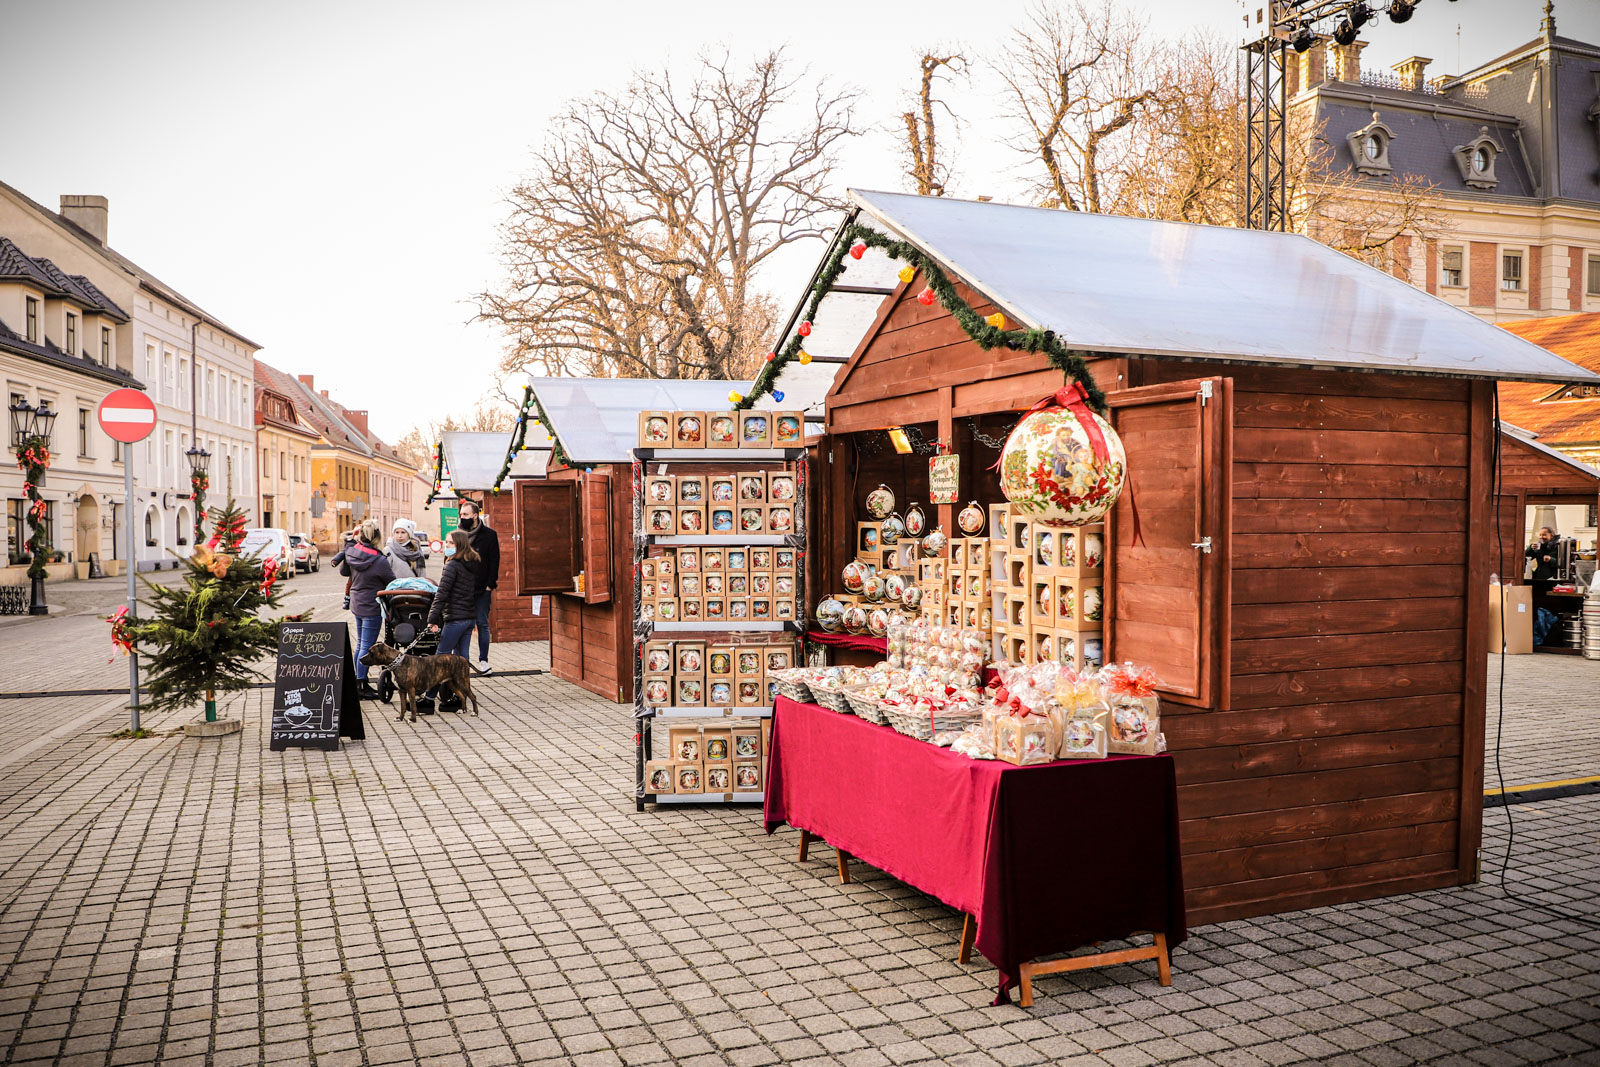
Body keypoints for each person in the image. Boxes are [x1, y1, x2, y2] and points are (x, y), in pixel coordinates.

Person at [340, 519, 395, 700]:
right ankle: (361, 685)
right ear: (378, 537)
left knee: (361, 643)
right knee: (366, 645)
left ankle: (359, 681)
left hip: (357, 602)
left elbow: (343, 572)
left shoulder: (352, 553)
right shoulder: (379, 560)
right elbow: (391, 583)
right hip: (372, 604)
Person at [457, 499, 500, 674]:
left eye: (465, 514)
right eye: (461, 515)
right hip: (462, 589)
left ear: (475, 516)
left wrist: (491, 585)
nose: (462, 517)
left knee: (482, 623)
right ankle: (461, 663)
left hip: (482, 588)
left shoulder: (489, 535)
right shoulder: (457, 534)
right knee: (463, 625)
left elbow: (494, 561)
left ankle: (483, 661)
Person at [426, 529, 481, 663]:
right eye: (447, 542)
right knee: (461, 657)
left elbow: (442, 593)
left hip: (455, 617)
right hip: (468, 617)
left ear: (460, 545)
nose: (447, 546)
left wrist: (432, 619)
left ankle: (438, 684)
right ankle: (461, 683)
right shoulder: (472, 563)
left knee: (441, 656)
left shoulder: (452, 565)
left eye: (451, 543)